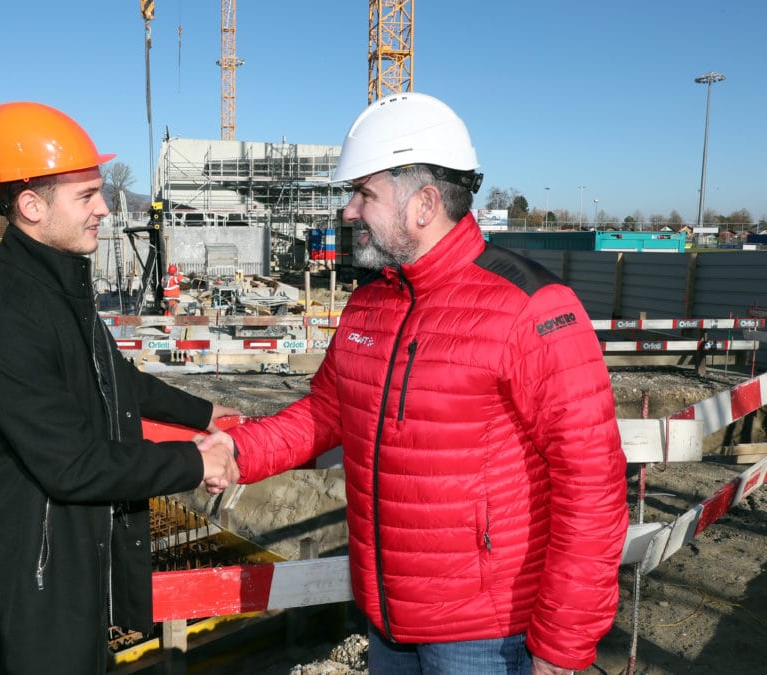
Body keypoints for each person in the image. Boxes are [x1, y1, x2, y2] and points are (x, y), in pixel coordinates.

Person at [199, 92, 628, 675]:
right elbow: (327, 410)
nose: (349, 212)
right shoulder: (372, 300)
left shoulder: (530, 307)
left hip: (488, 635)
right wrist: (237, 450)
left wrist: (563, 641)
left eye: (365, 194)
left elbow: (591, 484)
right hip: (387, 621)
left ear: (424, 203)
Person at [0, 101, 241, 674]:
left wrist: (208, 411)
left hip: (69, 569)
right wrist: (194, 462)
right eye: (86, 196)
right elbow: (74, 466)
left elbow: (117, 380)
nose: (106, 209)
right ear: (32, 206)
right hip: (28, 596)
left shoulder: (59, 290)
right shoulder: (6, 317)